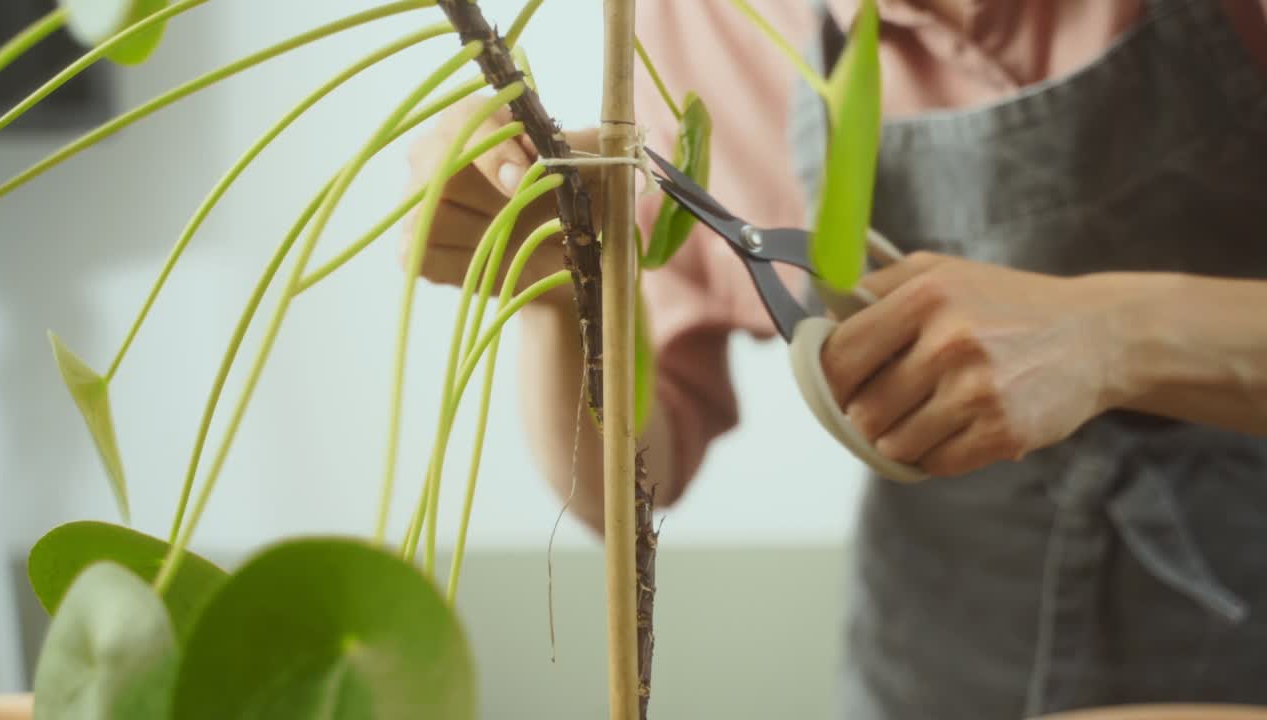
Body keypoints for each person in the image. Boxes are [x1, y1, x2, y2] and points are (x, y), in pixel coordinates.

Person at [404, 0, 1267, 717]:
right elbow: (633, 480)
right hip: (934, 650)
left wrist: (1114, 336)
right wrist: (563, 300)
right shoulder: (701, 23)